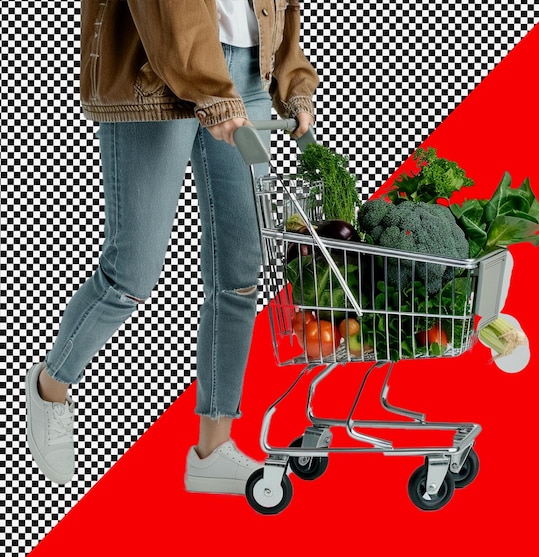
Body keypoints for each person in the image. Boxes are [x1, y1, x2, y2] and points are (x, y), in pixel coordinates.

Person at [24, 0, 319, 494]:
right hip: (156, 73)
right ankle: (50, 387)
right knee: (130, 276)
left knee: (241, 274)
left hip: (247, 69)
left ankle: (212, 450)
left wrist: (292, 78)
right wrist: (210, 90)